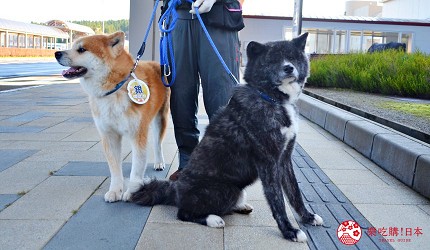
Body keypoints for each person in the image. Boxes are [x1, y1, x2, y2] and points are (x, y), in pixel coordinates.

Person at [162, 0, 244, 180]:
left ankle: (224, 170)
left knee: (222, 95)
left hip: (219, 18)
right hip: (179, 17)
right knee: (181, 94)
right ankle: (187, 163)